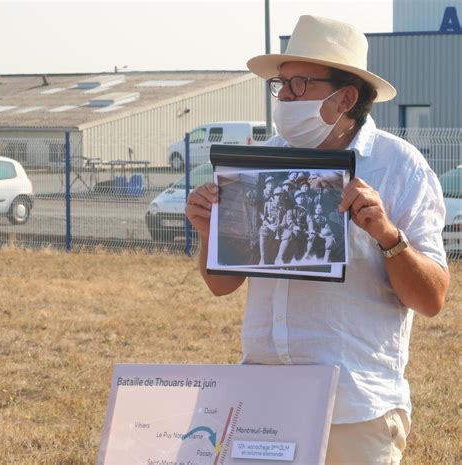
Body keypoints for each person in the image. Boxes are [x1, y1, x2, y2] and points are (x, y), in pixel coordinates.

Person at [185, 15, 449, 465]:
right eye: (280, 84)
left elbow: (431, 299)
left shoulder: (399, 166)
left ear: (345, 97)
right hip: (265, 398)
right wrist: (210, 232)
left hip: (353, 408)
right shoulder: (259, 165)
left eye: (298, 84)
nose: (283, 97)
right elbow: (221, 285)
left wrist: (387, 236)